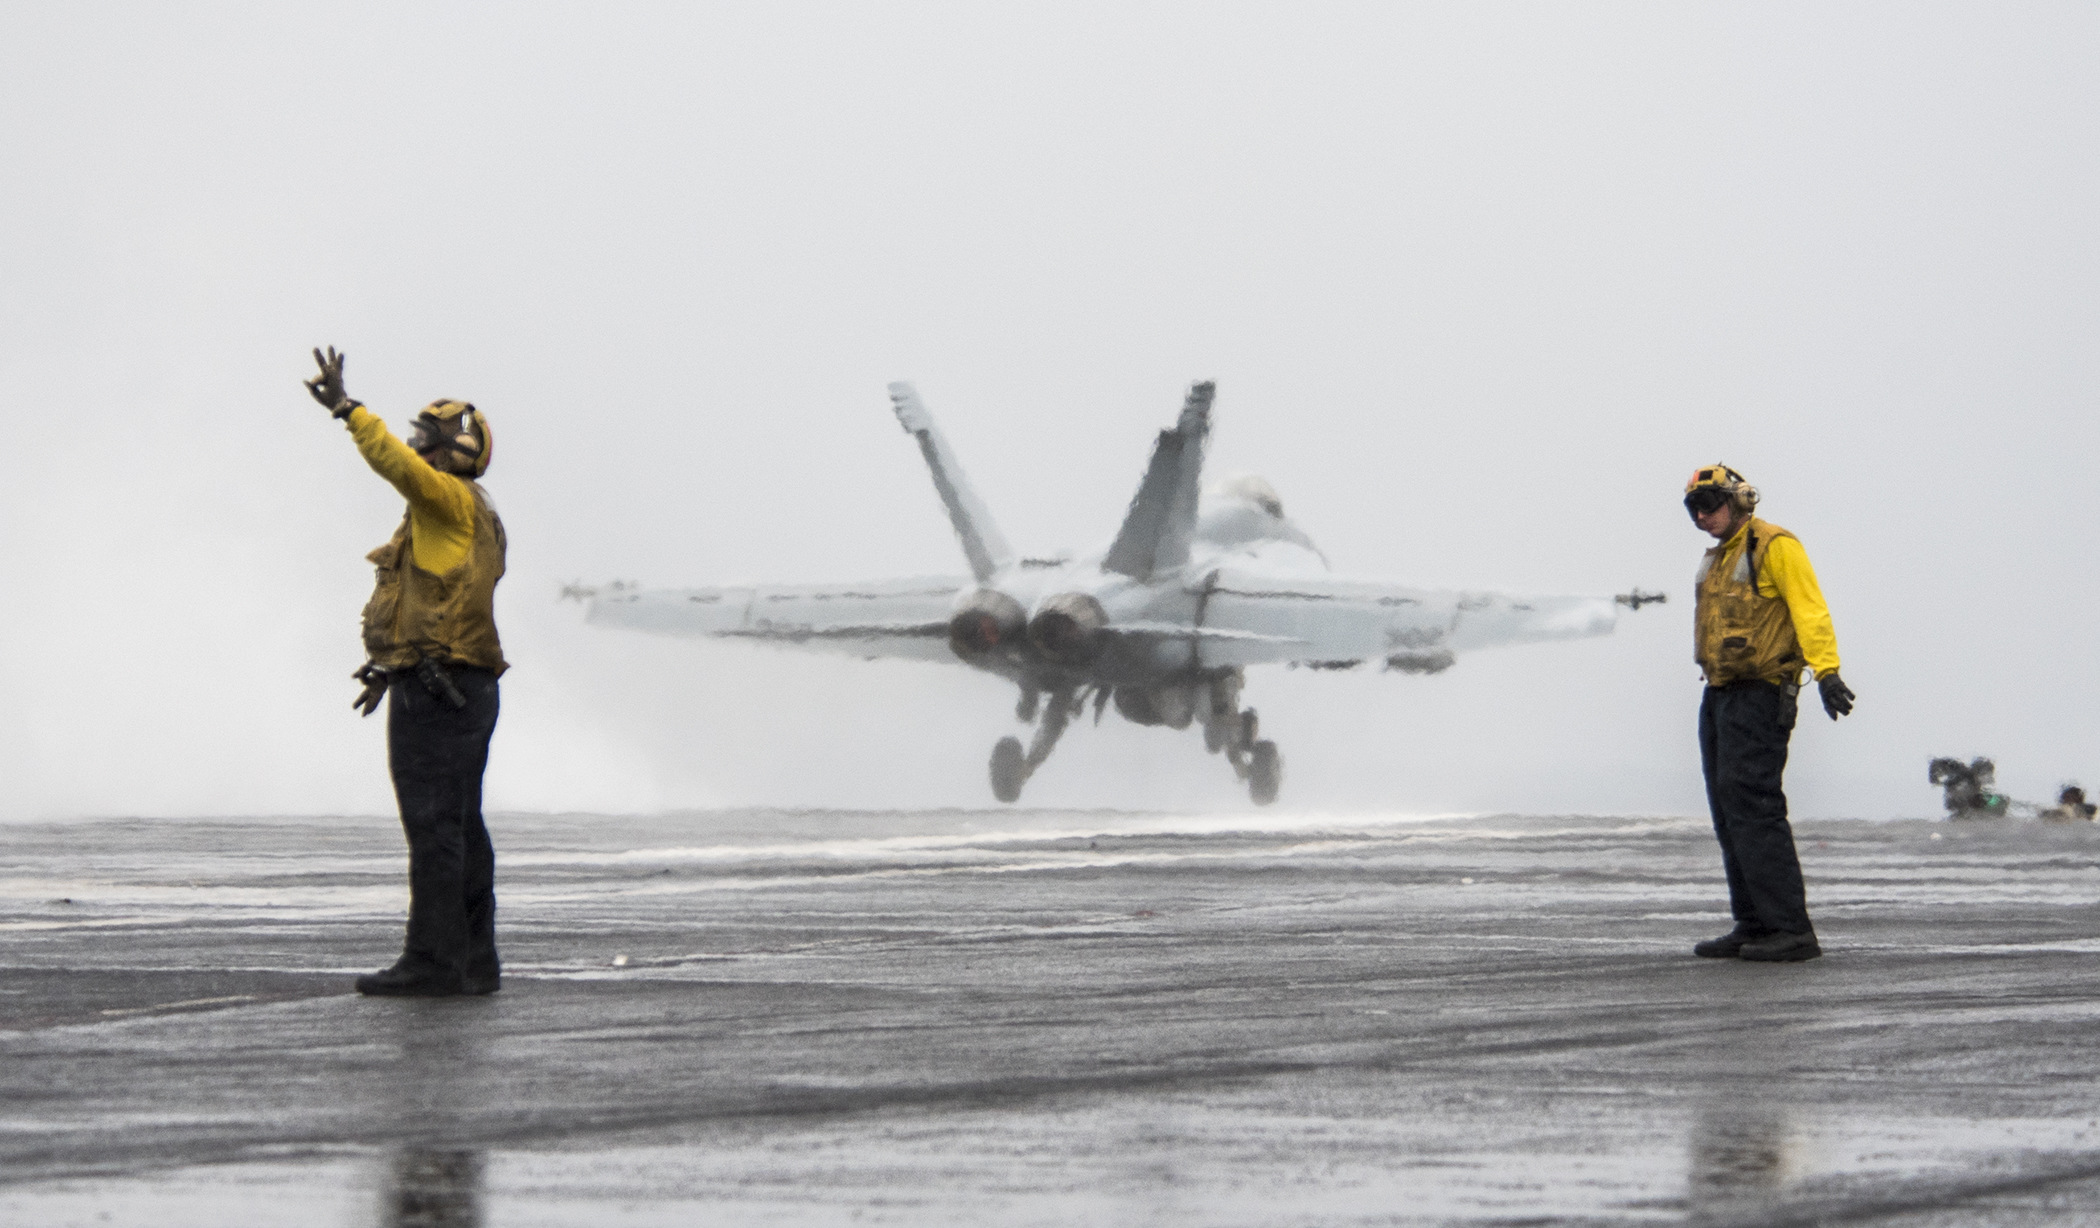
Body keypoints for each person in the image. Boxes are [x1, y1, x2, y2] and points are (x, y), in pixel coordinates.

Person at [304, 346, 508, 996]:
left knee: (432, 828)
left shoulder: (446, 502)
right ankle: (475, 960)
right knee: (460, 825)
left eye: (427, 437)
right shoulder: (475, 513)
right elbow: (435, 607)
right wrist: (387, 667)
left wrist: (348, 410)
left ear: (453, 450)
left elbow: (392, 464)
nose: (417, 446)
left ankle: (433, 962)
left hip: (436, 693)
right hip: (461, 687)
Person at [1683, 464, 1853, 963]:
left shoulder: (1775, 546)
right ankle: (1753, 922)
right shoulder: (1718, 557)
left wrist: (1827, 672)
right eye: (1694, 507)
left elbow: (1809, 609)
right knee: (1726, 808)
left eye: (1710, 504)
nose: (1701, 515)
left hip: (1761, 692)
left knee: (1754, 805)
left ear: (1739, 500)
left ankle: (1791, 929)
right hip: (1720, 693)